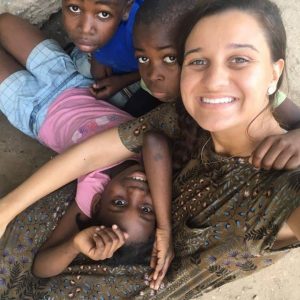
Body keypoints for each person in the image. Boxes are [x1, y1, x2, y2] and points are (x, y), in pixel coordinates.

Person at [1, 0, 300, 297]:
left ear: (275, 73)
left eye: (239, 59)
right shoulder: (182, 117)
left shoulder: (282, 188)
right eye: (197, 60)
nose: (214, 80)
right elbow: (94, 152)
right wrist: (7, 209)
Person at [0, 12, 173, 287]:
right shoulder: (153, 164)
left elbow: (42, 267)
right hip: (69, 81)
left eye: (118, 204)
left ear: (98, 204)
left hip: (32, 111)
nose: (136, 193)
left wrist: (76, 244)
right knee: (6, 22)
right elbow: (154, 141)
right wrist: (164, 227)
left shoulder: (91, 195)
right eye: (147, 209)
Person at [62, 0, 142, 103]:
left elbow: (159, 68)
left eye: (104, 14)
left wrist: (123, 80)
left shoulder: (144, 29)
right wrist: (97, 56)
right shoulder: (114, 7)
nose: (85, 29)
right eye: (75, 8)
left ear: (126, 9)